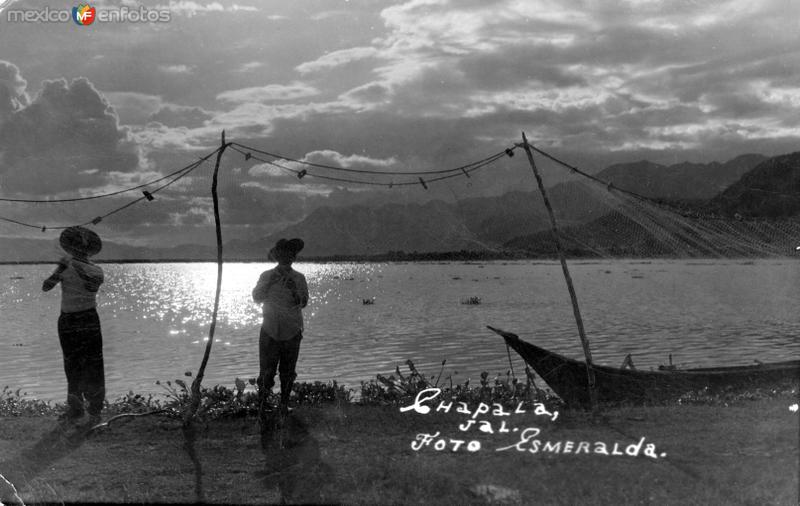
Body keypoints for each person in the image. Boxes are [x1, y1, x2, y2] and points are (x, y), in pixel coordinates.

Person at [42, 226, 106, 426]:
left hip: (79, 319)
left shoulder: (89, 269)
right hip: (78, 319)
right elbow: (47, 287)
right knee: (82, 363)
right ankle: (83, 409)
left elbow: (90, 285)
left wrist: (68, 268)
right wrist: (62, 269)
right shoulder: (83, 268)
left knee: (83, 363)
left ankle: (86, 409)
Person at [252, 238, 309, 415]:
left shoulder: (299, 278)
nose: (287, 257)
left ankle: (284, 404)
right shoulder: (266, 276)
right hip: (270, 329)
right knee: (266, 371)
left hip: (292, 329)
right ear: (277, 256)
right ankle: (262, 405)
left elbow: (304, 302)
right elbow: (257, 297)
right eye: (283, 254)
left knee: (288, 371)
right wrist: (270, 284)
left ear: (293, 258)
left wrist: (293, 289)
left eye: (291, 255)